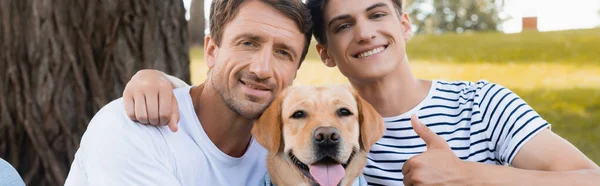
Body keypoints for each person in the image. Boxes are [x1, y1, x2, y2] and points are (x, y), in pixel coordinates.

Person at [125, 0, 600, 185]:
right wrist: (156, 79)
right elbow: (226, 107)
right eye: (344, 25)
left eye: (377, 14)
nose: (366, 33)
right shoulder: (297, 138)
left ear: (405, 22)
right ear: (326, 53)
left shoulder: (482, 103)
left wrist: (472, 176)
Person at [63, 0, 312, 185]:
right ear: (211, 51)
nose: (262, 69)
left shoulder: (288, 148)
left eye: (283, 53)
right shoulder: (133, 130)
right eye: (248, 43)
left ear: (295, 72)